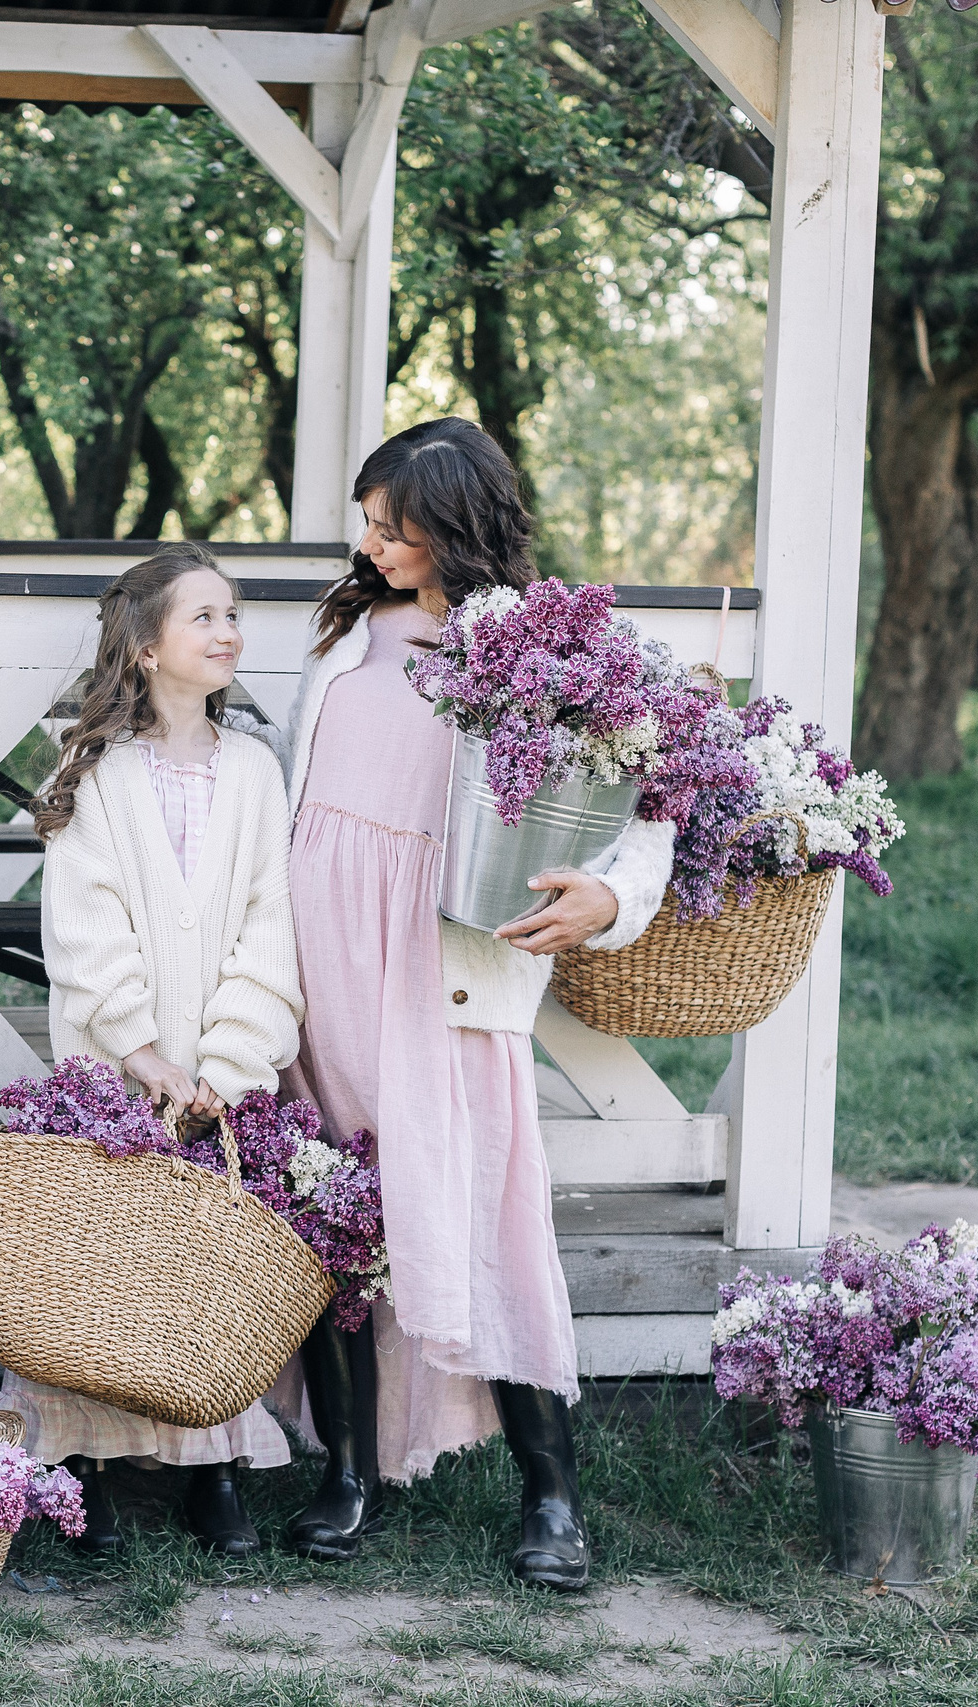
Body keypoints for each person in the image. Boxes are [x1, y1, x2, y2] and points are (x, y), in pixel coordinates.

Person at [275, 418, 674, 1588]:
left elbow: (651, 806)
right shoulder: (346, 631)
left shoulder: (549, 648)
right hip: (320, 958)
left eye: (393, 524)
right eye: (367, 519)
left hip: (446, 964)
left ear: (455, 523)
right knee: (335, 1206)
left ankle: (551, 1498)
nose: (372, 542)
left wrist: (605, 895)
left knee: (488, 1213)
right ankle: (346, 1474)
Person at [0, 542, 307, 1558]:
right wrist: (142, 1053)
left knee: (197, 1275)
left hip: (217, 1080)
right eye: (205, 617)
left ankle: (210, 1464)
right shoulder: (95, 775)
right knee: (102, 1268)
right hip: (114, 1075)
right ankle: (79, 1457)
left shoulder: (257, 771)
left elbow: (272, 921)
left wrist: (226, 1061)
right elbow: (84, 929)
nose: (229, 633)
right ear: (143, 645)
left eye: (233, 615)